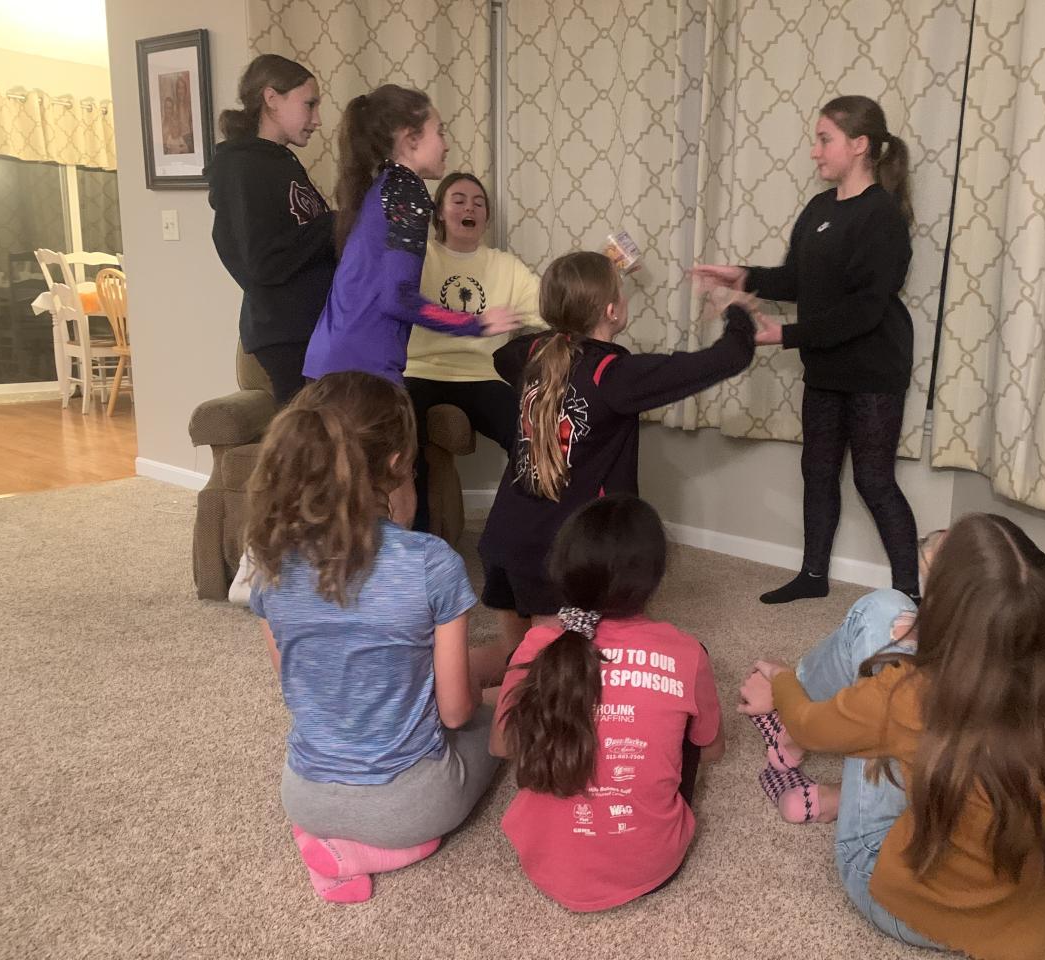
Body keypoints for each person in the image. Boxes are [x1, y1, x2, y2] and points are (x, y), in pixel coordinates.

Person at [737, 513, 1045, 960]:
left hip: (902, 903)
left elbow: (812, 725)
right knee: (928, 729)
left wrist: (782, 683)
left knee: (879, 609)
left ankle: (794, 733)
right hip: (1020, 925)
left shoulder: (912, 696)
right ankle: (841, 795)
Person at [245, 371, 506, 903]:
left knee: (457, 671)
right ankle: (368, 852)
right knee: (504, 716)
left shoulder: (271, 562)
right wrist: (501, 688)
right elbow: (456, 712)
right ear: (397, 464)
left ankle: (325, 838)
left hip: (304, 795)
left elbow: (301, 682)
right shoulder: (430, 562)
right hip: (409, 805)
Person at [478, 250, 774, 654]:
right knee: (553, 671)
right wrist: (734, 307)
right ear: (612, 310)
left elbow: (503, 356)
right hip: (557, 555)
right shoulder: (614, 377)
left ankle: (456, 680)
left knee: (516, 658)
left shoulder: (529, 355)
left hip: (503, 539)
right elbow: (730, 357)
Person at [694, 95, 920, 605]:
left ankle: (909, 594)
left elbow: (864, 311)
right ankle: (813, 576)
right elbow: (797, 280)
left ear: (859, 145)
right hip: (825, 366)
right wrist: (741, 275)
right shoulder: (819, 209)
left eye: (824, 140)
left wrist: (785, 335)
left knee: (873, 481)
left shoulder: (882, 216)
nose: (815, 151)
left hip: (874, 369)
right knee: (816, 473)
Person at [490, 495, 725, 911]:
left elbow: (502, 745)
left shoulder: (538, 645)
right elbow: (711, 750)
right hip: (652, 864)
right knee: (686, 724)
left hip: (544, 860)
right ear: (654, 579)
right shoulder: (688, 653)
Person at [303, 86, 518, 385]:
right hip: (361, 372)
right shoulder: (407, 191)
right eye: (439, 133)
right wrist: (475, 323)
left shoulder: (385, 184)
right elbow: (398, 298)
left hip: (332, 363)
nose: (446, 146)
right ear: (410, 139)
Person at [404, 171, 547, 532]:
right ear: (439, 212)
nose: (470, 208)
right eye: (459, 200)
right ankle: (418, 538)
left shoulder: (506, 266)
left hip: (483, 375)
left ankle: (516, 531)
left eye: (479, 203)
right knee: (405, 442)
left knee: (530, 436)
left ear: (486, 217)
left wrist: (605, 273)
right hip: (420, 371)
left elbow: (553, 307)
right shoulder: (418, 256)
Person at [208, 54, 335, 404]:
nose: (317, 119)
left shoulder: (281, 161)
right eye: (309, 104)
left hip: (311, 328)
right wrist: (332, 225)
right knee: (305, 433)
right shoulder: (243, 166)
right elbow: (260, 261)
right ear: (271, 98)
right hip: (286, 334)